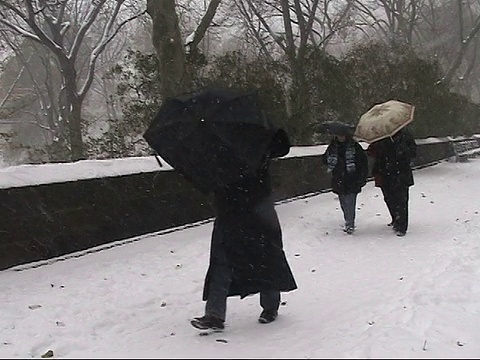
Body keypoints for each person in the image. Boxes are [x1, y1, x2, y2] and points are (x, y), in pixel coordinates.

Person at [191, 129, 298, 331]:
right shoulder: (215, 147)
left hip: (257, 209)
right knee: (221, 261)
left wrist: (272, 131)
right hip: (228, 212)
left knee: (267, 257)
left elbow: (282, 148)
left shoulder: (258, 140)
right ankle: (214, 315)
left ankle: (270, 306)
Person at [367, 128, 417, 237]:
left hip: (401, 173)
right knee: (389, 198)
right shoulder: (380, 138)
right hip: (385, 173)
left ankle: (402, 226)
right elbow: (372, 152)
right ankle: (395, 218)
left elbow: (413, 152)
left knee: (402, 200)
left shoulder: (405, 136)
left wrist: (401, 151)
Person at [322, 133, 368, 234]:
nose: (340, 137)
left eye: (342, 135)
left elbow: (363, 162)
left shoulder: (355, 147)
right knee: (343, 201)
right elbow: (325, 159)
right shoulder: (333, 147)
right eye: (339, 135)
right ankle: (348, 219)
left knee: (350, 202)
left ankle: (350, 223)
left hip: (352, 178)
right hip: (339, 178)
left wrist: (361, 178)